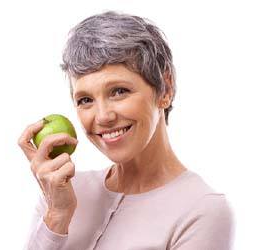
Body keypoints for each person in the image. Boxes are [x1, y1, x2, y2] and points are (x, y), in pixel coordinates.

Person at [18, 11, 235, 250]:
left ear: (165, 89)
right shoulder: (63, 191)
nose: (103, 116)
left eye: (119, 91)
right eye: (85, 100)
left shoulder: (202, 211)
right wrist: (57, 216)